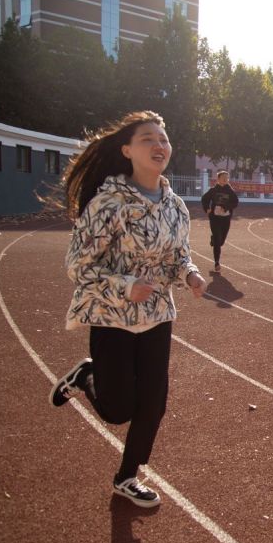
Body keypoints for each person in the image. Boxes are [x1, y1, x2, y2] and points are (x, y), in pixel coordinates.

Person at [47, 110, 207, 508]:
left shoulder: (176, 207)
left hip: (156, 316)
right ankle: (87, 375)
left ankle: (127, 476)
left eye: (163, 139)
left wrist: (189, 274)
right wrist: (125, 286)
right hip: (111, 316)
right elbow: (78, 264)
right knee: (118, 410)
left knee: (154, 403)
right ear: (126, 150)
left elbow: (178, 256)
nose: (159, 145)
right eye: (147, 139)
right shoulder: (109, 203)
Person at [200, 170, 239, 272]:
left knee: (221, 241)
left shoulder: (230, 191)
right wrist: (207, 209)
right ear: (218, 179)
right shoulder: (213, 190)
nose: (226, 179)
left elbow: (235, 202)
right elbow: (204, 199)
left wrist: (226, 207)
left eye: (227, 178)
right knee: (218, 240)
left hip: (226, 218)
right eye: (224, 178)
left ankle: (214, 239)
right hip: (215, 218)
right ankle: (217, 262)